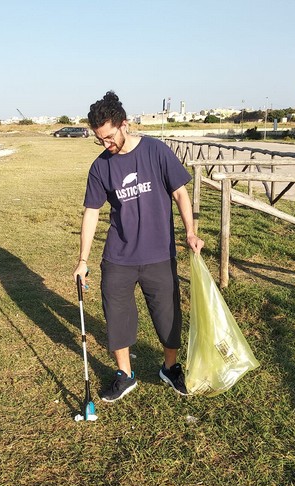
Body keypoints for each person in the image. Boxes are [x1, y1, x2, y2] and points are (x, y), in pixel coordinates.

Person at [73, 91, 204, 403]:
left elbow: (181, 194)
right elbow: (92, 212)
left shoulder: (156, 151)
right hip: (119, 257)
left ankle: (170, 368)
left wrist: (190, 232)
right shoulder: (101, 167)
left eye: (109, 137)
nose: (106, 145)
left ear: (125, 125)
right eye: (99, 140)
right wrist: (82, 259)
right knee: (117, 316)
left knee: (168, 316)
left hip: (159, 253)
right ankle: (125, 374)